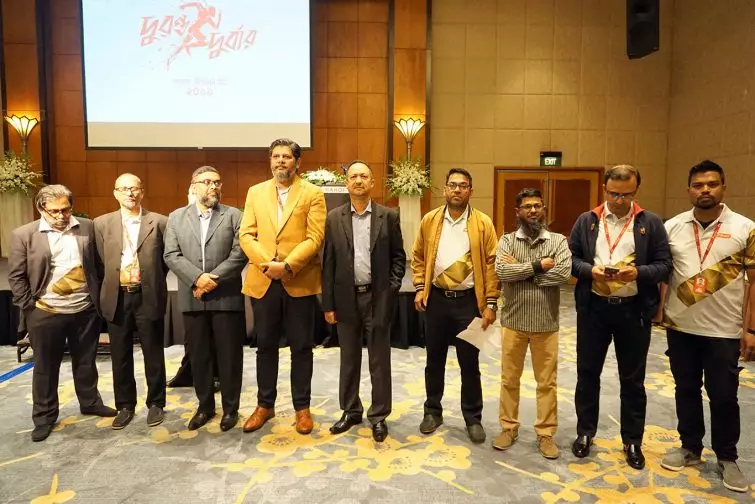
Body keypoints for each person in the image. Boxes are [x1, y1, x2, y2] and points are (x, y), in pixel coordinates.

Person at [658, 160, 754, 493]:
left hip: (724, 330)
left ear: (723, 187)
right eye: (698, 185)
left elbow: (754, 283)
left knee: (724, 395)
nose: (705, 190)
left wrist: (750, 329)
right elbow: (664, 273)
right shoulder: (672, 226)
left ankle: (727, 456)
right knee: (685, 389)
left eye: (712, 184)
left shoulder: (745, 228)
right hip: (681, 327)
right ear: (689, 190)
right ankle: (690, 447)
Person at [569, 164, 671, 469]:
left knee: (633, 380)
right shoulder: (587, 221)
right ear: (605, 189)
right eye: (614, 194)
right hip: (594, 309)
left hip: (633, 311)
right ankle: (585, 432)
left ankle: (632, 440)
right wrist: (591, 271)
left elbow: (665, 265)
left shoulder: (650, 223)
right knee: (588, 374)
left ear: (636, 191)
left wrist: (638, 273)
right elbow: (570, 259)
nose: (619, 200)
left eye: (626, 195)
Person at [8, 184, 116, 441]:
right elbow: (16, 276)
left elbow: (98, 265)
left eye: (66, 210)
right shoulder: (24, 235)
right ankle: (44, 417)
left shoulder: (87, 227)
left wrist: (97, 300)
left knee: (86, 362)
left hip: (84, 311)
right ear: (41, 209)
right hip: (45, 312)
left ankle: (90, 402)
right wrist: (30, 307)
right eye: (54, 211)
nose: (61, 216)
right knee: (45, 367)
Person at [239, 138, 326, 435]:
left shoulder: (312, 193)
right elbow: (246, 235)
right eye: (275, 156)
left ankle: (302, 408)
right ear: (270, 161)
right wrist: (268, 264)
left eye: (286, 157)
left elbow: (315, 237)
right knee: (265, 347)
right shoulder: (255, 192)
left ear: (297, 162)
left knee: (301, 347)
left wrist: (287, 265)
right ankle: (265, 405)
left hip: (298, 279)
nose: (280, 161)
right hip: (264, 280)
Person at [412, 168, 499, 444]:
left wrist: (491, 302)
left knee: (469, 364)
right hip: (437, 300)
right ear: (445, 189)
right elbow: (418, 256)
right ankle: (432, 412)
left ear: (470, 190)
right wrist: (419, 287)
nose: (457, 190)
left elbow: (492, 264)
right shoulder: (430, 220)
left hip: (469, 303)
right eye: (452, 185)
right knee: (434, 361)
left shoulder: (483, 223)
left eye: (463, 185)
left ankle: (473, 418)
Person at [322, 160, 406, 442]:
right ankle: (350, 410)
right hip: (345, 299)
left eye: (364, 176)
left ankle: (379, 416)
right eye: (353, 176)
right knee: (349, 359)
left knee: (379, 360)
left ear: (372, 183)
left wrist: (391, 290)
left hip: (377, 298)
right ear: (347, 183)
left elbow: (398, 258)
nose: (358, 181)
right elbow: (328, 262)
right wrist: (328, 304)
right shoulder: (334, 218)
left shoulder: (388, 216)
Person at [164, 166, 248, 432]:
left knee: (229, 356)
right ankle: (205, 407)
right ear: (194, 186)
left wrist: (212, 280)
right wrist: (197, 279)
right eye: (207, 182)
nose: (213, 186)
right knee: (199, 356)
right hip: (193, 297)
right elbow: (171, 254)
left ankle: (231, 409)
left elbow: (240, 253)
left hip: (226, 297)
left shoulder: (234, 216)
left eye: (217, 182)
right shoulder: (176, 217)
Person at [493, 188, 571, 459]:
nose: (533, 211)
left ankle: (546, 434)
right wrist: (538, 266)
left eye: (538, 206)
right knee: (509, 380)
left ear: (544, 209)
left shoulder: (558, 241)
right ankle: (508, 428)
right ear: (518, 212)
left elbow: (563, 274)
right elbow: (502, 271)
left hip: (546, 324)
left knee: (547, 382)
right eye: (527, 207)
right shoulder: (507, 240)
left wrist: (522, 269)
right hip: (513, 322)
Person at [94, 173, 168, 429]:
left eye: (134, 188)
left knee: (153, 352)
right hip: (117, 296)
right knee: (120, 354)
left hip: (148, 295)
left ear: (142, 191)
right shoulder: (101, 224)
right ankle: (125, 405)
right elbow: (98, 263)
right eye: (124, 189)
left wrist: (151, 279)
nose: (130, 193)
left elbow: (165, 261)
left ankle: (156, 403)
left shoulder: (159, 222)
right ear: (115, 193)